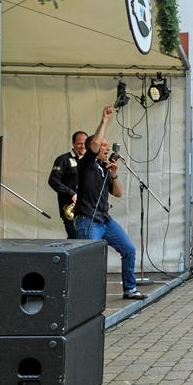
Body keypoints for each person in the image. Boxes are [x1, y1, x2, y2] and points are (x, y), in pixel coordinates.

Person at [74, 107, 145, 300]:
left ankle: (129, 289)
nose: (106, 148)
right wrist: (104, 120)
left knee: (128, 249)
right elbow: (95, 142)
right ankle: (85, 298)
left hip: (104, 219)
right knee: (90, 258)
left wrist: (114, 174)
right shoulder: (86, 164)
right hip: (88, 219)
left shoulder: (104, 169)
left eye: (107, 146)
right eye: (103, 146)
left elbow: (118, 193)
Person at [49, 130, 87, 239]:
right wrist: (72, 193)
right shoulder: (63, 159)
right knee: (75, 237)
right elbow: (53, 180)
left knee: (86, 239)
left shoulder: (90, 161)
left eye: (85, 143)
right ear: (73, 143)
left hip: (87, 207)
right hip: (70, 206)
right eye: (79, 143)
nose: (82, 146)